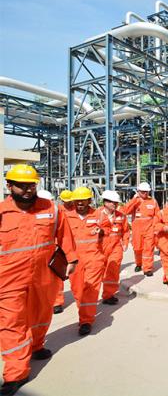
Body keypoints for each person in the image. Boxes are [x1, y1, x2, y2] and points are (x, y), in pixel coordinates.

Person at [0, 165, 77, 396]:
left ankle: (36, 345)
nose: (27, 190)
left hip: (44, 275)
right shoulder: (2, 213)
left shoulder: (52, 209)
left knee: (42, 315)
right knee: (12, 323)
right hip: (9, 278)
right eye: (21, 186)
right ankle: (16, 373)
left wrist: (72, 258)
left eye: (31, 185)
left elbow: (64, 234)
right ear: (9, 186)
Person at [66, 186, 108, 336]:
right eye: (77, 201)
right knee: (78, 290)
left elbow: (109, 230)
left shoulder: (98, 215)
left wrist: (102, 232)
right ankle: (83, 312)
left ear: (89, 200)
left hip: (94, 259)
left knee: (90, 290)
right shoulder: (67, 217)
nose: (79, 204)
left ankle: (86, 321)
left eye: (82, 201)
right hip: (75, 260)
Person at [121, 182, 159, 276]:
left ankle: (147, 268)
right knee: (137, 248)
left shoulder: (153, 201)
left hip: (149, 229)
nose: (145, 194)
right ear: (138, 191)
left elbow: (157, 215)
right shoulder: (135, 201)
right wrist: (134, 200)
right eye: (143, 192)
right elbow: (125, 211)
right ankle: (139, 264)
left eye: (147, 192)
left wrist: (155, 227)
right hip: (137, 230)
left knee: (149, 249)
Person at [99, 190, 129, 305]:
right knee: (100, 271)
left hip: (116, 247)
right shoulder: (96, 215)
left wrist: (125, 242)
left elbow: (126, 231)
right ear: (105, 202)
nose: (115, 205)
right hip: (100, 247)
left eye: (116, 203)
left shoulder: (121, 216)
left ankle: (108, 294)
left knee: (113, 269)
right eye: (113, 202)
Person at [53, 189, 76, 315]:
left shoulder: (77, 209)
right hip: (60, 246)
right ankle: (57, 302)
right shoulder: (58, 211)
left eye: (70, 201)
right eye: (66, 201)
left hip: (76, 245)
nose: (69, 203)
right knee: (58, 275)